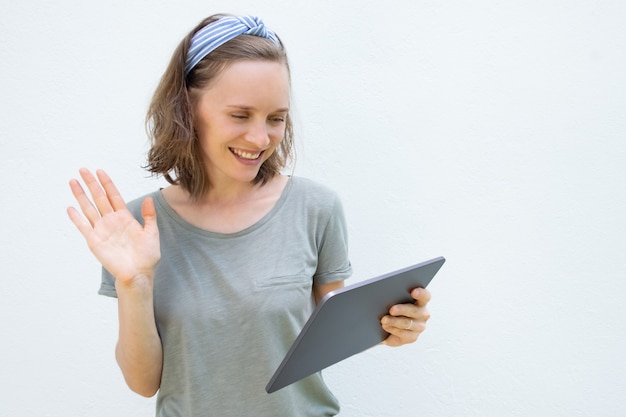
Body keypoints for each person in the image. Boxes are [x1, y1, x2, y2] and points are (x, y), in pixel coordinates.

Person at [67, 14, 432, 416]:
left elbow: (331, 336)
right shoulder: (138, 225)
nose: (261, 139)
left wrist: (391, 328)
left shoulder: (316, 209)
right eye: (240, 115)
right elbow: (143, 383)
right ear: (187, 108)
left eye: (276, 118)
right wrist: (135, 282)